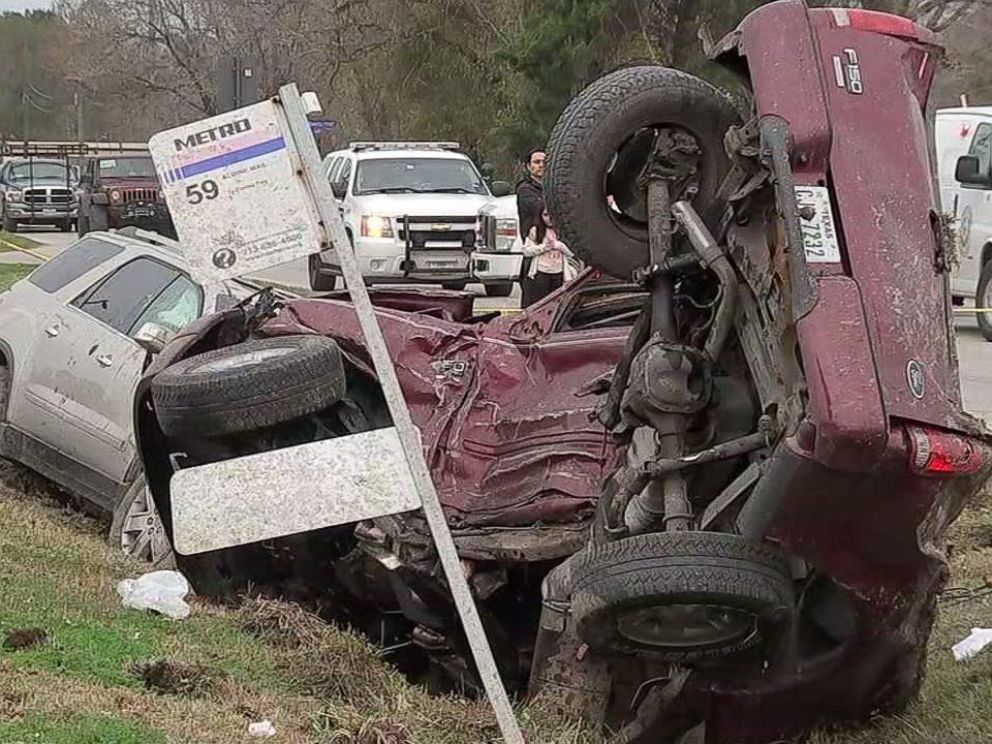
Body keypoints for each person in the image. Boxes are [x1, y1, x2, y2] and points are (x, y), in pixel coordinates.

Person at [522, 208, 572, 307]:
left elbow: (572, 253)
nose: (549, 218)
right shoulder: (535, 230)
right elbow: (526, 251)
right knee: (539, 303)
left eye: (552, 215)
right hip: (541, 272)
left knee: (555, 303)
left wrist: (560, 246)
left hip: (558, 272)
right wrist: (543, 247)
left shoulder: (563, 230)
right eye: (545, 215)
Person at [516, 149, 546, 285]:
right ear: (529, 166)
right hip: (535, 250)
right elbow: (540, 208)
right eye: (537, 162)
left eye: (544, 162)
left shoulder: (555, 188)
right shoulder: (525, 189)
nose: (541, 165)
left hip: (556, 250)